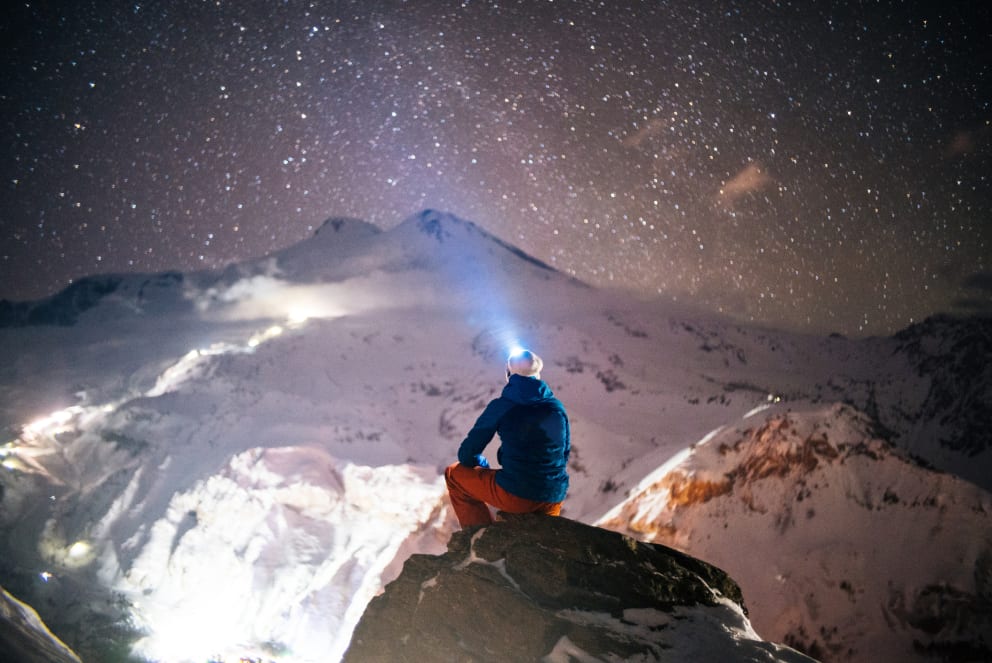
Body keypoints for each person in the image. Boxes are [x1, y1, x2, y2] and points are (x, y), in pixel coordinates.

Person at [444, 349, 570, 527]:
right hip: (554, 498)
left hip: (517, 496)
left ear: (508, 374)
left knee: (454, 474)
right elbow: (563, 455)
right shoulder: (557, 407)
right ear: (538, 375)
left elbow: (466, 454)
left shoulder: (502, 406)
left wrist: (481, 464)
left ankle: (478, 540)